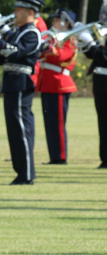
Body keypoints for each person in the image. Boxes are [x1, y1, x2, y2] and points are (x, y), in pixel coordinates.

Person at [0, 0, 45, 185]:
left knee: (21, 129)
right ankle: (20, 172)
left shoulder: (32, 33)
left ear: (30, 12)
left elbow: (11, 53)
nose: (15, 12)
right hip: (11, 83)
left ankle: (26, 174)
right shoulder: (19, 32)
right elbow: (1, 58)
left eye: (19, 9)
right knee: (14, 130)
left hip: (21, 84)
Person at [37, 9, 78, 165]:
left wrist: (49, 49)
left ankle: (60, 157)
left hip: (59, 84)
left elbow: (63, 56)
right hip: (47, 84)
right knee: (50, 124)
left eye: (55, 20)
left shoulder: (70, 39)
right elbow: (41, 55)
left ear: (65, 23)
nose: (53, 23)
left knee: (58, 124)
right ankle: (54, 156)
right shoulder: (52, 38)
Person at [78, 0, 107, 169]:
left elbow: (104, 56)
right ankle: (105, 158)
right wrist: (84, 42)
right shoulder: (102, 30)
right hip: (101, 83)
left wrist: (91, 43)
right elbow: (94, 56)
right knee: (102, 123)